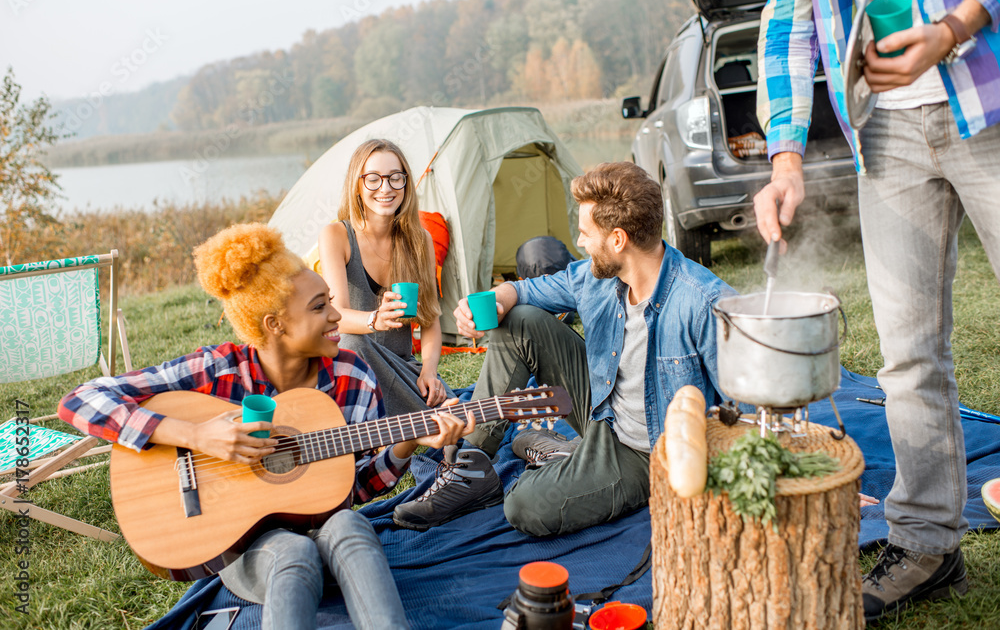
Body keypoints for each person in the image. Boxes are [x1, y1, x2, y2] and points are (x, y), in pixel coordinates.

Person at [58, 223, 474, 630]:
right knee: (292, 553)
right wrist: (197, 435)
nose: (336, 315)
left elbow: (357, 486)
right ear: (274, 324)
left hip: (327, 526)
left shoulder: (353, 375)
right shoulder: (219, 369)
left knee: (351, 523)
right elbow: (81, 400)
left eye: (330, 300)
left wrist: (405, 443)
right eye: (318, 308)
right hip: (243, 545)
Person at [754, 0, 999, 622]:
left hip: (987, 90)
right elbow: (788, 22)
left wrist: (956, 27)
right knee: (908, 356)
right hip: (885, 133)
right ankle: (926, 544)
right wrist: (785, 158)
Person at [453, 161, 735, 537]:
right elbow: (522, 291)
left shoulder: (704, 303)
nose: (581, 243)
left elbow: (744, 411)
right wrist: (494, 301)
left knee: (524, 505)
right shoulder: (596, 278)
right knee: (519, 320)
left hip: (645, 450)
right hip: (603, 407)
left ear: (618, 240)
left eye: (586, 234)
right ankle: (468, 467)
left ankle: (567, 456)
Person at [316, 139, 504, 531]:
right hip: (353, 371)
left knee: (445, 403)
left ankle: (442, 441)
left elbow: (431, 321)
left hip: (402, 369)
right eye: (374, 178)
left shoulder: (415, 239)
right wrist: (374, 320)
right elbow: (333, 318)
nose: (385, 188)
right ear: (357, 184)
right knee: (354, 345)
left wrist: (431, 371)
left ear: (406, 184)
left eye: (395, 177)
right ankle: (446, 437)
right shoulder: (337, 235)